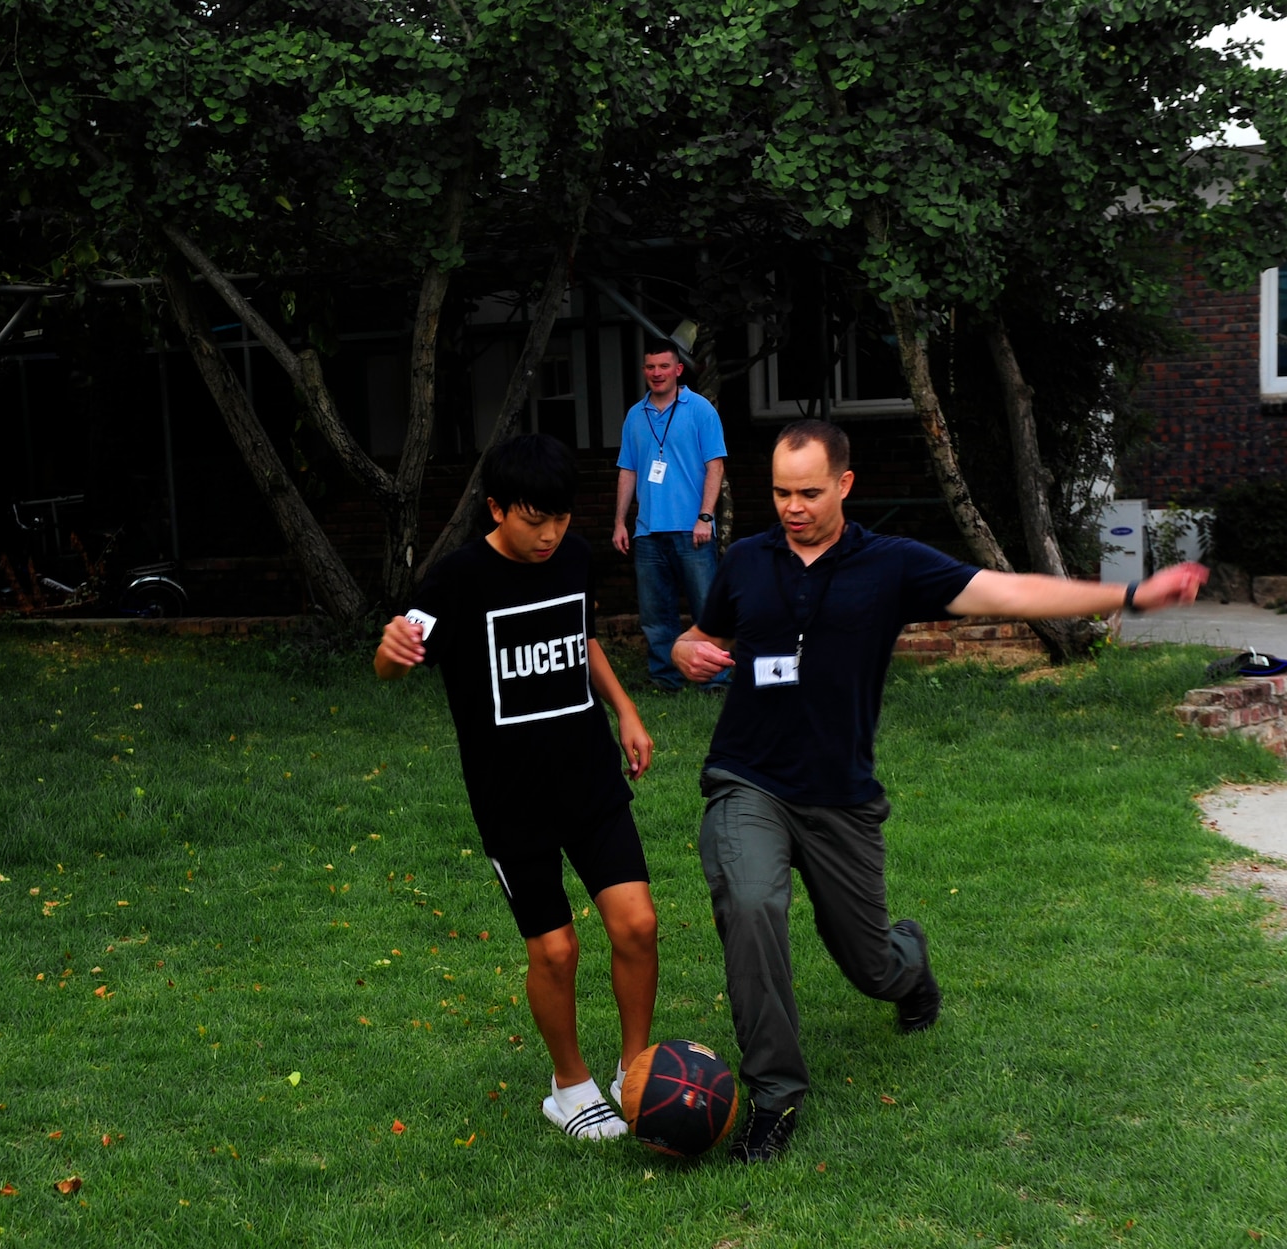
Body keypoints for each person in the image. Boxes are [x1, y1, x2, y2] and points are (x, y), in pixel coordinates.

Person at [671, 419, 1208, 1163]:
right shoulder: (747, 560)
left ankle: (909, 964)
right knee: (752, 902)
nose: (792, 506)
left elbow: (1008, 590)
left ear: (845, 485)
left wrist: (1131, 594)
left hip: (840, 795)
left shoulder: (890, 565)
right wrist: (687, 650)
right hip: (748, 776)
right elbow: (701, 634)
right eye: (780, 491)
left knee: (870, 964)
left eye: (809, 492)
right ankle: (775, 1095)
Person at [376, 433, 660, 1140]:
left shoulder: (575, 554)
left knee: (638, 923)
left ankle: (636, 1068)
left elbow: (583, 635)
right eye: (535, 518)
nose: (551, 533)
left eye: (561, 517)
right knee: (556, 949)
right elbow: (397, 660)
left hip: (588, 779)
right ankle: (569, 1084)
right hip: (513, 800)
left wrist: (625, 710)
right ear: (497, 509)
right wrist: (390, 654)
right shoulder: (455, 581)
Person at [613, 339, 729, 692]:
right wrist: (620, 522)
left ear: (678, 370)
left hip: (691, 529)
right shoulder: (636, 415)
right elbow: (627, 472)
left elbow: (716, 467)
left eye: (664, 366)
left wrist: (705, 517)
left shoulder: (700, 410)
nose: (656, 373)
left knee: (707, 610)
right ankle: (666, 679)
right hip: (647, 532)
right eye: (650, 367)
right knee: (654, 615)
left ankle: (715, 680)